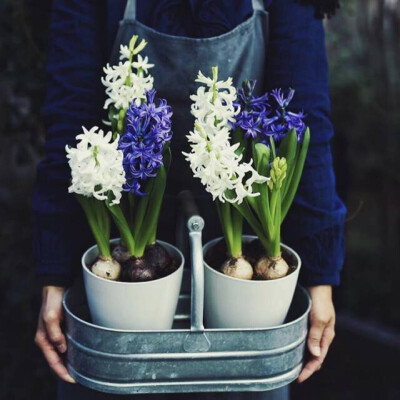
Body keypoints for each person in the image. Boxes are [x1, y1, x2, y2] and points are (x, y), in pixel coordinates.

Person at [33, 0, 346, 399]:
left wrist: (319, 277)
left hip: (240, 271)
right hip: (117, 267)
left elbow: (305, 124)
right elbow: (69, 119)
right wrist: (54, 274)